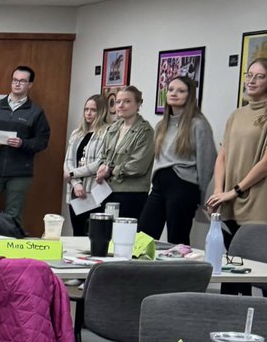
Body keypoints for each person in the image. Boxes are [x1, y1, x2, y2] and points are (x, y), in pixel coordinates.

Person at [138, 76, 216, 244]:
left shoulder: (198, 124)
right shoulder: (161, 125)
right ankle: (139, 270)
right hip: (159, 185)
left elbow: (207, 163)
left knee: (177, 239)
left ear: (190, 96)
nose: (174, 93)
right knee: (142, 237)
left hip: (183, 186)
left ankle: (179, 270)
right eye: (171, 89)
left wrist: (202, 199)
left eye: (181, 91)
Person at [0, 65, 51, 223]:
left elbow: (42, 141)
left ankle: (9, 245)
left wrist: (23, 143)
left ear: (30, 85)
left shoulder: (35, 111)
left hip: (20, 172)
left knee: (13, 216)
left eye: (22, 81)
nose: (17, 84)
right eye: (15, 80)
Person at [207, 57, 267, 243]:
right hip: (230, 202)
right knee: (230, 260)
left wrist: (234, 191)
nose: (251, 81)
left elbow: (265, 163)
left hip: (257, 203)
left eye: (260, 77)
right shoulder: (236, 114)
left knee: (254, 262)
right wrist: (219, 192)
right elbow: (222, 156)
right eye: (249, 75)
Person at [96, 86, 154, 219]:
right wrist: (102, 167)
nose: (121, 105)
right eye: (118, 102)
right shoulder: (113, 128)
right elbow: (103, 155)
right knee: (105, 234)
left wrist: (110, 170)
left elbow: (138, 166)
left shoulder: (145, 131)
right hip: (108, 191)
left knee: (124, 237)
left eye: (127, 101)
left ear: (138, 104)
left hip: (131, 194)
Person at [63, 94, 111, 235]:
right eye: (86, 109)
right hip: (75, 191)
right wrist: (76, 183)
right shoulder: (77, 133)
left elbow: (99, 163)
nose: (88, 113)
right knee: (77, 232)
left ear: (102, 111)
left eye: (93, 110)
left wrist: (72, 174)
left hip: (93, 191)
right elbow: (68, 162)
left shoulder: (107, 132)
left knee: (92, 233)